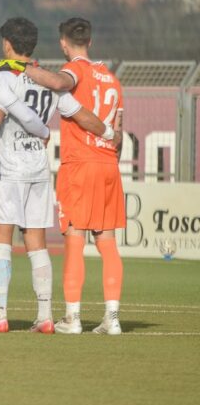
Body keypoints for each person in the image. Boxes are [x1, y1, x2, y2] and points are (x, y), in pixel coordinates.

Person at [0, 17, 110, 333]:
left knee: (2, 239)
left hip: (8, 167)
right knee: (36, 241)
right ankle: (45, 316)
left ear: (7, 43)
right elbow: (78, 112)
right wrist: (109, 131)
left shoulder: (3, 74)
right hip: (38, 167)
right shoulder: (47, 77)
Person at [24, 17, 125, 335]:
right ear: (91, 42)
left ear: (63, 44)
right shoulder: (112, 79)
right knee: (107, 242)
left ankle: (73, 317)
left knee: (74, 239)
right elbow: (118, 134)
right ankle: (112, 316)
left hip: (80, 165)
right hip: (108, 164)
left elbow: (58, 83)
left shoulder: (75, 71)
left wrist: (22, 67)